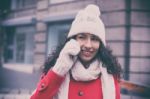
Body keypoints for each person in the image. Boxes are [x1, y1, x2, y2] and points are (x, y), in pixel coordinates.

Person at [30, 4, 122, 99]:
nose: (88, 45)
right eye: (82, 37)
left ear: (101, 44)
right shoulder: (56, 68)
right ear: (72, 40)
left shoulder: (109, 73)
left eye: (94, 39)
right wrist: (60, 69)